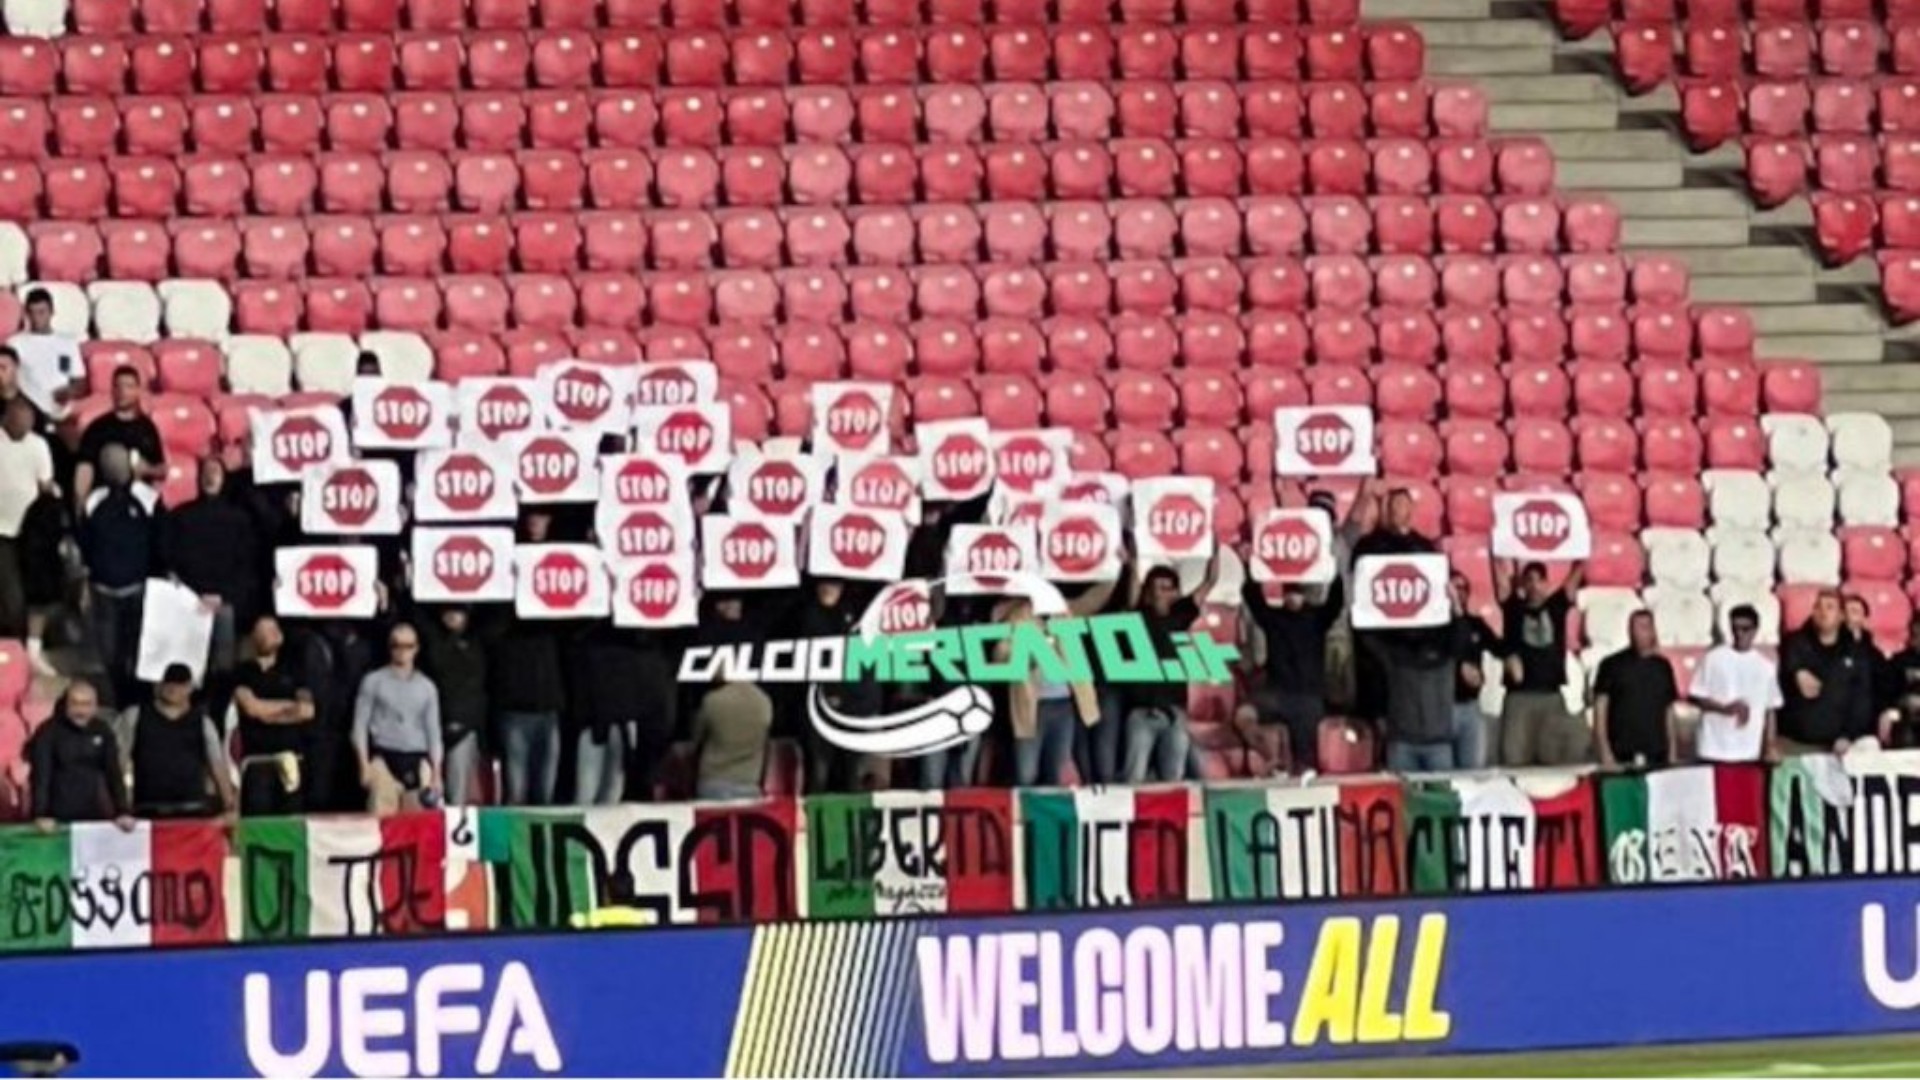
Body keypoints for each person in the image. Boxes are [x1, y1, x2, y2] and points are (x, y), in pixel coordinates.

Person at [1003, 575, 1113, 787]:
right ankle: (1024, 808)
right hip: (1032, 705)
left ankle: (1047, 809)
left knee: (1056, 769)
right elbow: (1000, 653)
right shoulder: (1018, 617)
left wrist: (1115, 570)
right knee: (1026, 772)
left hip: (1064, 704)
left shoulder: (1064, 613)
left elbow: (1093, 601)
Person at [1122, 554, 1219, 783]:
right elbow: (1133, 588)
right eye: (1158, 588)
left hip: (1174, 713)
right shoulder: (1138, 616)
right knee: (1134, 777)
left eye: (1168, 588)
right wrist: (1132, 561)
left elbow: (1210, 581)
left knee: (1173, 777)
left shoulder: (1180, 615)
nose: (1163, 593)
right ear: (1148, 593)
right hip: (1142, 712)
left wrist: (1214, 547)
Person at [159, 457, 258, 676]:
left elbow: (246, 566)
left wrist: (224, 596)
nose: (210, 477)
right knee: (187, 665)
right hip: (189, 603)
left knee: (223, 669)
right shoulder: (180, 516)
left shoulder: (240, 519)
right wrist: (181, 587)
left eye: (216, 472)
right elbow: (169, 558)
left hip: (224, 604)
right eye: (206, 472)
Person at [1237, 572, 1344, 774]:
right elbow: (1253, 599)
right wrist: (1252, 569)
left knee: (1303, 753)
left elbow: (1335, 603)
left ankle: (1295, 776)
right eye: (1289, 593)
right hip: (1288, 694)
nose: (1292, 598)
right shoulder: (1284, 618)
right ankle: (1279, 764)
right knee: (1245, 715)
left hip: (1300, 696)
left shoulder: (1311, 619)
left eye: (1294, 593)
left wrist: (1334, 573)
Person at [78, 444, 160, 708]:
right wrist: (87, 578)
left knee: (137, 650)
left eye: (120, 462)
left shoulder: (148, 498)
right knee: (110, 652)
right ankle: (120, 699)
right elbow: (85, 542)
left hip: (138, 588)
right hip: (103, 590)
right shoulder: (94, 500)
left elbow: (159, 540)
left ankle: (139, 699)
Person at [1495, 558, 1586, 767]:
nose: (1534, 586)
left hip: (1551, 695)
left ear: (1546, 583)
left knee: (1553, 760)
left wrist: (1581, 550)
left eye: (1539, 580)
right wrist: (1497, 552)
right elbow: (1500, 582)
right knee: (1514, 759)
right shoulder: (1514, 609)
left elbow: (1576, 576)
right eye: (1529, 580)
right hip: (1519, 697)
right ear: (1523, 584)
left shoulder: (1556, 606)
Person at [351, 622, 443, 816]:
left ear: (416, 648)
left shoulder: (427, 687)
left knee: (420, 826)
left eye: (408, 646)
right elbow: (359, 725)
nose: (402, 651)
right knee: (382, 824)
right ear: (389, 647)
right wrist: (363, 764)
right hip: (383, 759)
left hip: (418, 759)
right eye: (396, 645)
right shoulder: (373, 681)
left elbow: (433, 731)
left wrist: (436, 772)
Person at [120, 663, 234, 818]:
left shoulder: (203, 723)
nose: (173, 688)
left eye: (180, 684)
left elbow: (217, 765)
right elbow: (118, 763)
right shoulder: (134, 716)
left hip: (193, 809)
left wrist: (229, 804)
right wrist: (119, 806)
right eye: (169, 682)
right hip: (147, 809)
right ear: (160, 685)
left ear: (190, 688)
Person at [232, 615, 316, 814]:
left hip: (290, 760)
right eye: (262, 631)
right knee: (259, 818)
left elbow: (306, 711)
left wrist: (267, 713)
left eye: (272, 630)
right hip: (257, 760)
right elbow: (252, 708)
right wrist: (288, 708)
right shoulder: (242, 672)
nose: (268, 635)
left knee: (291, 818)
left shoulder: (295, 671)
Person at [1777, 589, 1876, 755]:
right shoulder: (1794, 644)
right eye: (1818, 607)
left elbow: (1861, 699)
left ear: (1841, 615)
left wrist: (1848, 735)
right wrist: (1796, 671)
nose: (1823, 612)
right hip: (1795, 741)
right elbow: (1784, 668)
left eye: (1830, 607)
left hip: (1838, 745)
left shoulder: (1856, 652)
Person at [28, 680, 133, 829]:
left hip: (95, 811)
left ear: (95, 706)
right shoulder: (48, 732)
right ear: (66, 705)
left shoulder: (102, 730)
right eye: (75, 703)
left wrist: (123, 811)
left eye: (86, 704)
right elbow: (41, 776)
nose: (80, 710)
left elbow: (114, 773)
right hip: (57, 817)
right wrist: (41, 814)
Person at [1688, 604, 1783, 764]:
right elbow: (1696, 696)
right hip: (1713, 748)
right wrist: (1724, 709)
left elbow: (1770, 709)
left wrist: (1770, 744)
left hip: (1748, 751)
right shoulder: (1713, 658)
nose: (1739, 634)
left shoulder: (1766, 667)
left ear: (1755, 630)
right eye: (1735, 628)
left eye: (1745, 629)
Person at [0, 398, 54, 664]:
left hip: (32, 534)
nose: (26, 425)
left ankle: (28, 650)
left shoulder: (39, 445)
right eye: (21, 419)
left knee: (35, 592)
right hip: (2, 531)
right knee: (12, 596)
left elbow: (45, 485)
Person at [490, 613, 565, 806]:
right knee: (517, 791)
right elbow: (489, 633)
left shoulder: (551, 626)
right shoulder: (502, 624)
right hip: (515, 713)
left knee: (546, 791)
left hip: (548, 712)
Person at [417, 606, 487, 806]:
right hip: (429, 729)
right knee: (428, 797)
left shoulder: (478, 640)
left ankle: (456, 824)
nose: (452, 615)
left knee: (458, 796)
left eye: (457, 610)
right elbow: (417, 615)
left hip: (464, 726)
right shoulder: (433, 640)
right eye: (447, 610)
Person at [1592, 610, 1680, 767]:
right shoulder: (1611, 665)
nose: (1640, 633)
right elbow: (1600, 710)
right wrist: (1605, 752)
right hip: (1621, 751)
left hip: (1657, 752)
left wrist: (1672, 752)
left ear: (1653, 630)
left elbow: (1668, 711)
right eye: (1636, 627)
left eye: (1645, 627)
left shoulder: (1663, 667)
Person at [73, 365, 165, 513]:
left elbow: (162, 469)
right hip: (105, 498)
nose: (122, 392)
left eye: (129, 386)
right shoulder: (98, 428)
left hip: (138, 499)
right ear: (112, 390)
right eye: (118, 386)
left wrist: (147, 469)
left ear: (138, 391)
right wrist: (80, 506)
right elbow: (84, 470)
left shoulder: (147, 428)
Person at [8, 288, 82, 426]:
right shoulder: (15, 343)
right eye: (32, 313)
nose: (36, 318)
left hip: (62, 411)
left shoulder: (68, 342)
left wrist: (69, 392)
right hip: (29, 411)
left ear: (52, 312)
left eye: (41, 312)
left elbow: (79, 380)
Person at [1446, 573, 1497, 770]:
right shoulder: (1436, 626)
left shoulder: (1476, 624)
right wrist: (1459, 666)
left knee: (1473, 770)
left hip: (1471, 705)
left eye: (1462, 588)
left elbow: (1499, 647)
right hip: (1442, 707)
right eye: (1454, 588)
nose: (1458, 593)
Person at [693, 680, 774, 801]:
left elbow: (696, 739)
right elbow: (766, 744)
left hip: (712, 784)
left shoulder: (712, 700)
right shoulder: (764, 701)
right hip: (749, 784)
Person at [1878, 615, 1920, 748]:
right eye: (1916, 633)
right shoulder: (1899, 661)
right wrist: (1902, 702)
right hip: (1906, 719)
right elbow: (1887, 695)